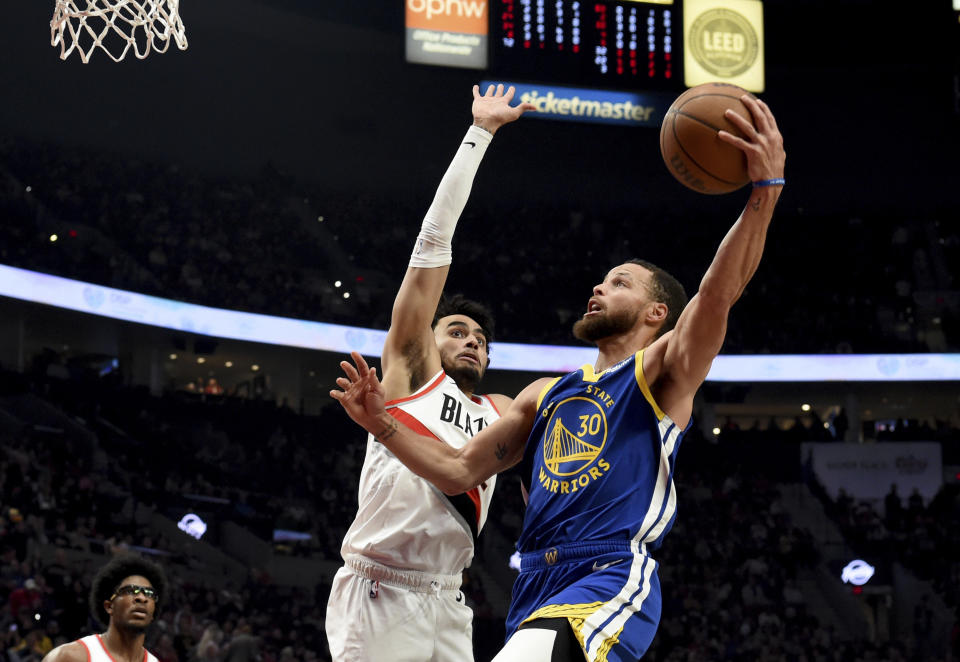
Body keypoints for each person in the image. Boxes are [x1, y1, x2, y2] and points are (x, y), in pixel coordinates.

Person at [331, 93, 786, 661]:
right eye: (601, 280)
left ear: (656, 314)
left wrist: (763, 196)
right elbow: (457, 471)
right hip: (533, 580)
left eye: (619, 282)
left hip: (607, 572)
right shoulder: (543, 395)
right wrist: (383, 424)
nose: (599, 288)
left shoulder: (662, 373)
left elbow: (718, 295)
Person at [324, 84, 535, 662]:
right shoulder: (414, 374)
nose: (471, 341)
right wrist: (481, 134)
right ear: (428, 339)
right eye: (457, 331)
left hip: (448, 597)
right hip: (380, 585)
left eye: (481, 340)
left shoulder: (499, 411)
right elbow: (432, 242)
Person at [41, 554, 168, 662]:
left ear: (153, 613)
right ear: (109, 606)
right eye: (130, 590)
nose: (142, 598)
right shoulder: (69, 656)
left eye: (149, 593)